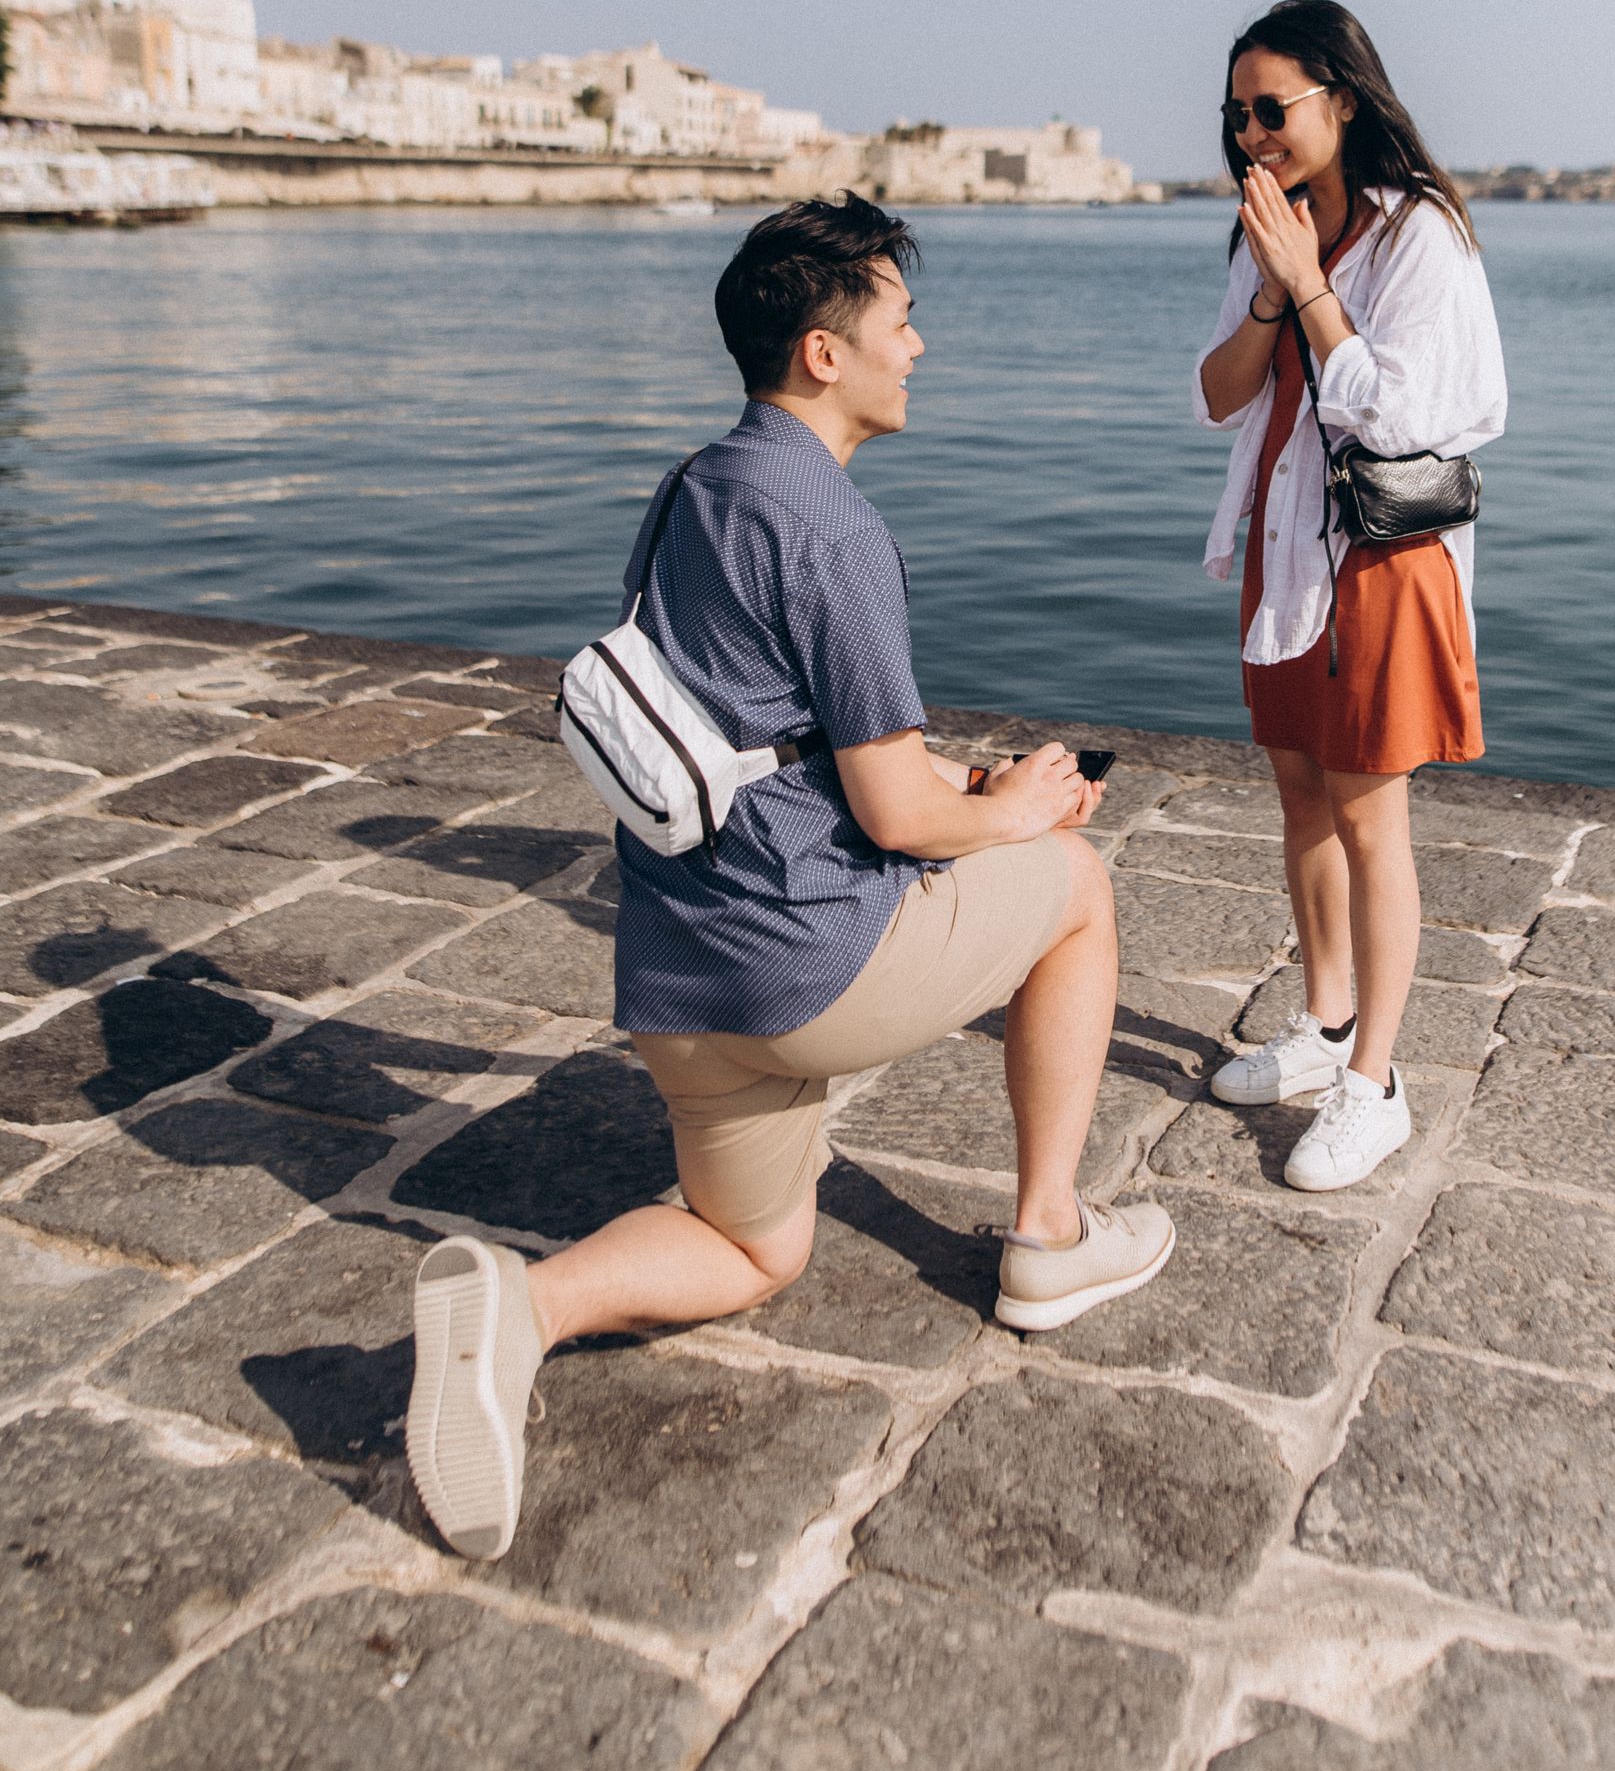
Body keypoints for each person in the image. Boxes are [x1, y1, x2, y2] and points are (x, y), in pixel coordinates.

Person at [406, 193, 1173, 1560]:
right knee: (1076, 885)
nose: (919, 346)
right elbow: (895, 808)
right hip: (801, 972)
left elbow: (753, 726)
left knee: (760, 1249)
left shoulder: (694, 485)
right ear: (827, 349)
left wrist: (957, 798)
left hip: (674, 987)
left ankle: (520, 1313)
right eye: (901, 316)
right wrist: (1023, 809)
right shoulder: (833, 529)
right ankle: (1051, 1236)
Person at [1195, 0, 1505, 1191]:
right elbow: (1218, 395)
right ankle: (1325, 1030)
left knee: (1372, 818)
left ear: (1342, 98)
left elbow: (1403, 413)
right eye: (1235, 117)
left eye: (1269, 110)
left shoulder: (1416, 234)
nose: (1251, 136)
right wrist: (1273, 286)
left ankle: (1375, 1083)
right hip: (1282, 547)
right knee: (1298, 793)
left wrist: (1307, 287)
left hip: (1381, 559)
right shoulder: (1262, 236)